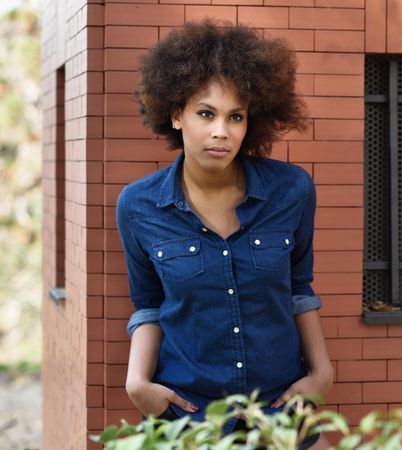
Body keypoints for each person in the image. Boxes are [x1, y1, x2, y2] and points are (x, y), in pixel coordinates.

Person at [115, 20, 333, 449]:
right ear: (175, 114)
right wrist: (137, 383)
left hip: (279, 408)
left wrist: (322, 373)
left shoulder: (292, 191)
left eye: (236, 116)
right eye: (206, 113)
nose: (222, 131)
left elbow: (297, 286)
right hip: (187, 411)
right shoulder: (138, 206)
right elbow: (149, 303)